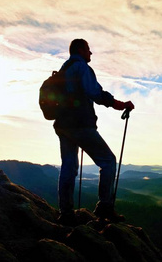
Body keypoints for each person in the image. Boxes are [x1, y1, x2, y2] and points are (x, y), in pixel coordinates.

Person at [54, 39, 134, 226]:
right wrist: (120, 105)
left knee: (68, 167)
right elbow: (95, 93)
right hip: (80, 125)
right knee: (108, 161)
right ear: (81, 50)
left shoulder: (64, 69)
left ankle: (65, 213)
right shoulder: (81, 68)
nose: (91, 53)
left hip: (62, 125)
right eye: (89, 49)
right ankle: (105, 206)